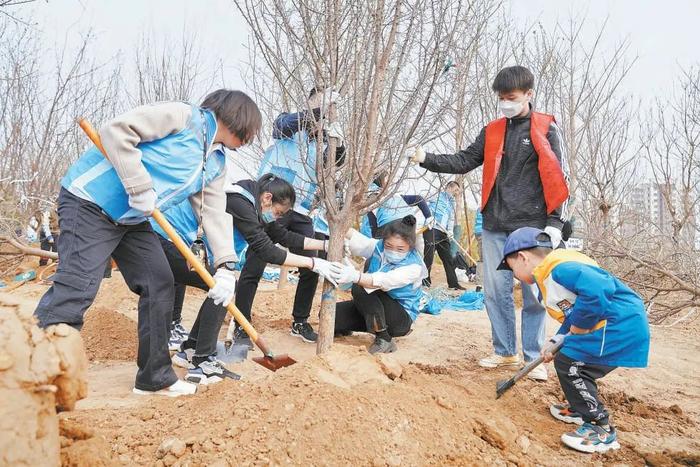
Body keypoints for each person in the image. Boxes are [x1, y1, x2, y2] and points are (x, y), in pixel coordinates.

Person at [34, 89, 261, 397]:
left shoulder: (216, 163)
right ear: (241, 121)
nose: (250, 139)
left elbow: (213, 212)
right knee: (77, 288)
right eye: (251, 132)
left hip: (131, 220)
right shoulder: (183, 118)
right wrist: (138, 184)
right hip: (90, 203)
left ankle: (155, 377)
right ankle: (36, 375)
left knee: (159, 282)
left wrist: (225, 265)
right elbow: (116, 131)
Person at [409, 65, 569, 380]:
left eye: (511, 97)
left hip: (532, 226)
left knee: (534, 292)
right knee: (496, 291)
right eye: (501, 98)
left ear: (528, 94)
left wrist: (555, 221)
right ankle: (505, 352)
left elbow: (558, 176)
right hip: (496, 223)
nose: (505, 103)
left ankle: (533, 357)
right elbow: (464, 160)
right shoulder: (493, 130)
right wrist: (426, 158)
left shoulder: (546, 128)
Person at [499, 227, 649, 453]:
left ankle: (600, 428)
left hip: (618, 326)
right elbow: (574, 312)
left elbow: (598, 290)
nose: (514, 276)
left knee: (572, 365)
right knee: (567, 357)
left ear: (523, 257)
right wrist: (557, 340)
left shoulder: (560, 269)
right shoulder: (551, 273)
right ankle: (581, 409)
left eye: (512, 269)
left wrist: (580, 327)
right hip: (610, 325)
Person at [256, 86, 345, 342]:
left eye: (327, 106)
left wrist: (339, 145)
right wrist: (315, 112)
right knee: (255, 261)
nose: (323, 110)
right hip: (272, 204)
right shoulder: (288, 124)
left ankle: (300, 321)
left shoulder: (321, 142)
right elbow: (283, 125)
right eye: (318, 103)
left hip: (303, 209)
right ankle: (239, 321)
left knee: (311, 267)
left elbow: (335, 163)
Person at [225, 174, 337, 348]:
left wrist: (325, 244)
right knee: (238, 278)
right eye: (278, 213)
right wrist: (313, 263)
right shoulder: (243, 203)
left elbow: (285, 236)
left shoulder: (264, 211)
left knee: (223, 286)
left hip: (300, 212)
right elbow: (268, 251)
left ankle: (299, 321)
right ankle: (240, 322)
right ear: (268, 198)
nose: (277, 217)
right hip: (205, 252)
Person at [329, 215, 428, 354]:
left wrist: (353, 276)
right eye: (389, 246)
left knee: (361, 285)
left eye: (400, 249)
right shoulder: (379, 248)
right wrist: (336, 221)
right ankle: (367, 326)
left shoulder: (413, 267)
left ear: (410, 247)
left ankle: (384, 338)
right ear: (384, 241)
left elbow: (382, 280)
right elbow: (360, 241)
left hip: (399, 318)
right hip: (373, 307)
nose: (393, 251)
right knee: (330, 316)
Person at [423, 181, 463, 290]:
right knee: (429, 256)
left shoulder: (451, 203)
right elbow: (423, 202)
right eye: (455, 190)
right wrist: (428, 217)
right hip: (431, 229)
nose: (455, 193)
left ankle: (453, 284)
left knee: (448, 258)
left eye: (457, 192)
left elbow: (450, 219)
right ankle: (425, 282)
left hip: (443, 232)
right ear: (449, 187)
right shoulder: (436, 195)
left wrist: (450, 231)